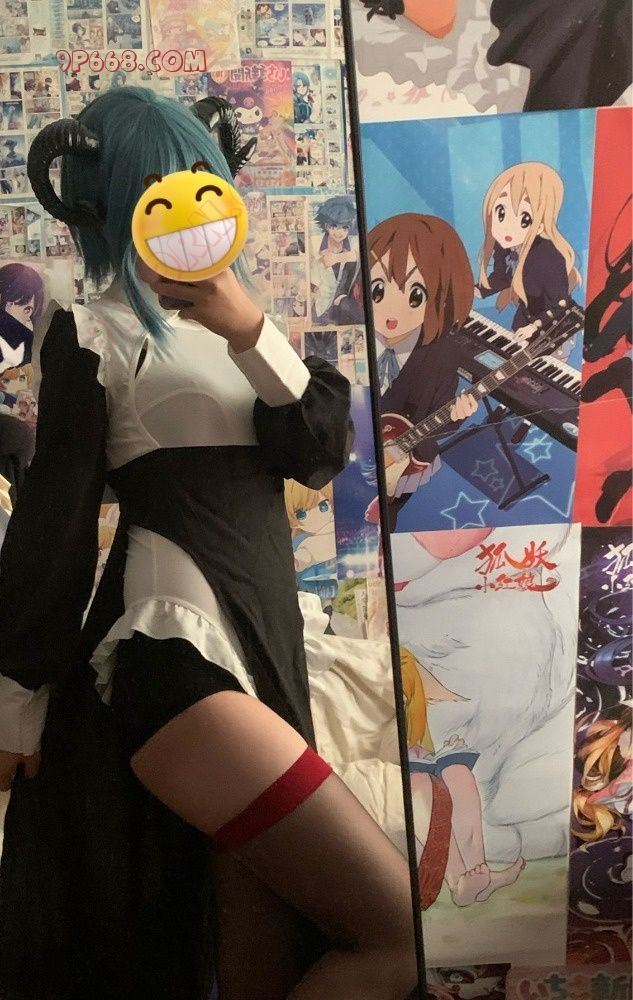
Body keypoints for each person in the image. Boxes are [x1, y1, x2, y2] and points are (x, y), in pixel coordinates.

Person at [0, 89, 418, 1000]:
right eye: (160, 184)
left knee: (259, 972)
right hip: (174, 657)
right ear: (111, 199)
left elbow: (317, 452)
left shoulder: (250, 328)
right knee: (398, 936)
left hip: (261, 654)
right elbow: (55, 523)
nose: (187, 206)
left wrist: (248, 328)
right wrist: (15, 705)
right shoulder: (94, 328)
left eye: (202, 179)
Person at [366, 213, 477, 530]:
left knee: (383, 521)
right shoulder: (353, 338)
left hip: (398, 464)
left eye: (415, 295)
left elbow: (436, 419)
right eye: (378, 290)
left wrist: (457, 415)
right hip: (347, 458)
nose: (391, 310)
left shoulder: (441, 355)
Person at [476, 162, 581, 333]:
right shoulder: (505, 245)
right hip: (526, 316)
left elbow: (559, 305)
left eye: (525, 218)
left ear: (541, 225)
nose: (507, 228)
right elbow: (502, 277)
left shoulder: (549, 256)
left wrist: (534, 327)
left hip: (555, 326)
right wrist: (476, 290)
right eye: (501, 212)